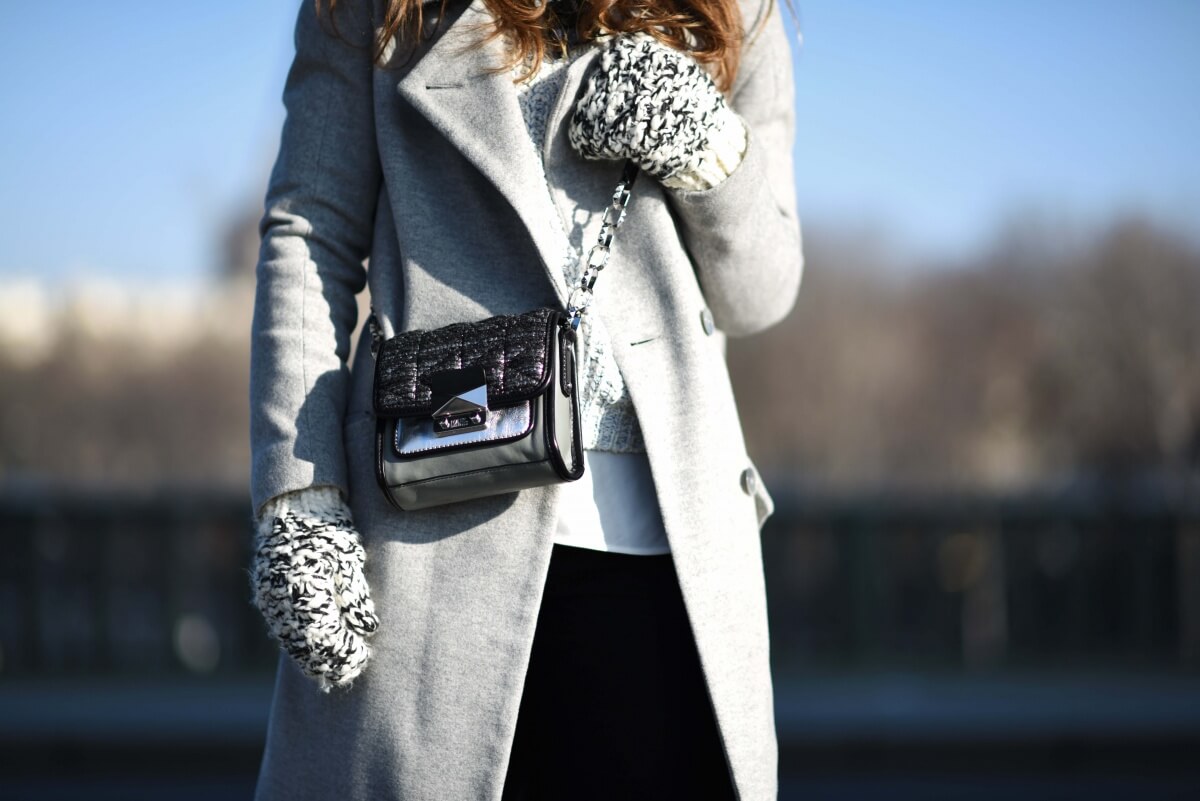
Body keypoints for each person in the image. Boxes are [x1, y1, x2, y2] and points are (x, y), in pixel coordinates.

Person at [247, 0, 802, 798]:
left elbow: (763, 290)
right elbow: (309, 233)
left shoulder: (735, 8)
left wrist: (705, 144)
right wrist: (300, 496)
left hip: (680, 564)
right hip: (432, 543)